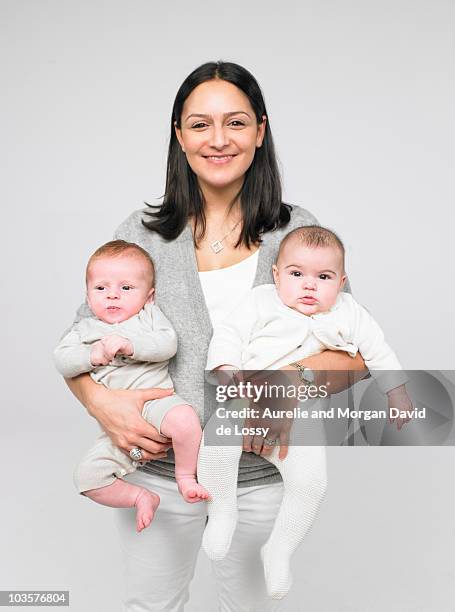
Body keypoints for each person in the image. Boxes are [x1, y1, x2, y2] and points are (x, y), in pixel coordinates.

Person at [62, 61, 367, 611]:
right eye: (200, 125)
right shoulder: (140, 234)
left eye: (236, 123)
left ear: (260, 132)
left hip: (258, 476)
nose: (219, 140)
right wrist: (102, 404)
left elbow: (353, 358)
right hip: (154, 473)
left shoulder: (297, 233)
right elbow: (80, 342)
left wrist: (281, 390)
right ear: (179, 137)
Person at [199, 225, 412, 599]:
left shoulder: (350, 312)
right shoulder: (260, 302)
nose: (309, 286)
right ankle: (222, 512)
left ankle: (279, 550)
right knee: (216, 447)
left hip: (301, 417)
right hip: (245, 394)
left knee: (311, 484)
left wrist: (397, 392)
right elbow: (230, 335)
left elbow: (377, 352)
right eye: (297, 275)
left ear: (342, 282)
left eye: (324, 277)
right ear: (276, 275)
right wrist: (227, 372)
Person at [54, 240, 209, 533]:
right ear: (87, 296)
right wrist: (92, 355)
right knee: (87, 478)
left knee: (186, 421)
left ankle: (186, 475)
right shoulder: (84, 330)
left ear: (149, 296)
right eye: (101, 288)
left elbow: (167, 344)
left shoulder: (149, 317)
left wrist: (131, 345)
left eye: (126, 288)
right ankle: (141, 496)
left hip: (158, 403)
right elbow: (62, 360)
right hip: (118, 420)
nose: (112, 294)